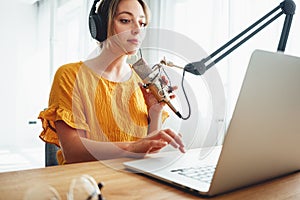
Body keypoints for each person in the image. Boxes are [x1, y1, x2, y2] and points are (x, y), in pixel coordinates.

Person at [38, 0, 185, 165]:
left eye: (142, 23)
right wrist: (132, 147)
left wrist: (155, 112)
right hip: (86, 184)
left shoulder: (142, 79)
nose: (137, 30)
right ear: (99, 27)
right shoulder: (69, 75)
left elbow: (148, 151)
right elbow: (73, 152)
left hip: (131, 180)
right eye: (125, 20)